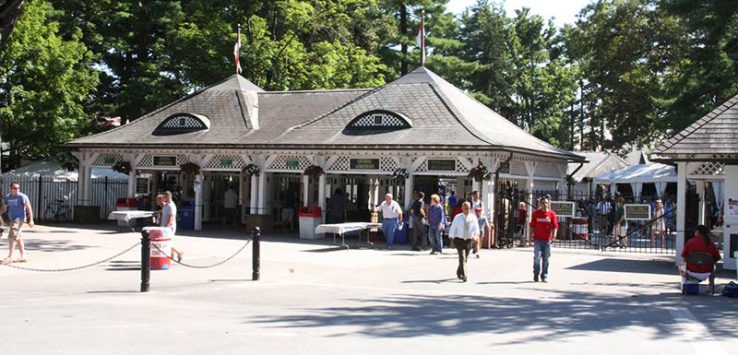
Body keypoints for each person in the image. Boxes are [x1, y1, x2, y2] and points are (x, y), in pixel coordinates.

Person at [680, 225, 721, 293]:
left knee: (681, 266)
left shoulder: (690, 242)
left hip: (691, 271)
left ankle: (687, 283)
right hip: (707, 271)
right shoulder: (711, 244)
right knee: (713, 266)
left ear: (697, 232)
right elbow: (717, 258)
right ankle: (711, 286)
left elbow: (684, 257)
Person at [1, 182, 34, 264]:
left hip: (19, 219)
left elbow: (28, 208)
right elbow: (4, 209)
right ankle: (23, 256)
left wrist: (31, 220)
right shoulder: (8, 197)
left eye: (18, 188)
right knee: (17, 237)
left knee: (11, 236)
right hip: (12, 219)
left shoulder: (22, 196)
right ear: (11, 188)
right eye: (15, 188)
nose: (17, 189)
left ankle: (10, 256)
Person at [448, 202, 479, 282]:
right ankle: (464, 275)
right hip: (459, 240)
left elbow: (476, 228)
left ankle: (459, 272)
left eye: (468, 208)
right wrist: (451, 238)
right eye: (465, 208)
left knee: (465, 258)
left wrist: (476, 236)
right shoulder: (457, 217)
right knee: (462, 257)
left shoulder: (473, 217)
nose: (467, 210)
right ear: (462, 208)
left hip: (469, 240)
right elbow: (453, 228)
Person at [529, 197, 558, 282]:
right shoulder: (536, 214)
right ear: (540, 204)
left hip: (547, 240)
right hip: (538, 239)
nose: (545, 204)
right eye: (543, 203)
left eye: (546, 203)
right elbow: (532, 226)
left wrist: (554, 236)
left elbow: (555, 226)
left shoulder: (552, 214)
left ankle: (544, 275)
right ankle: (536, 274)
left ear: (548, 203)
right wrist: (530, 237)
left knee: (546, 259)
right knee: (537, 257)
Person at [161, 191, 183, 261]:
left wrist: (167, 227)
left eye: (164, 197)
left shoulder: (171, 206)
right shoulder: (166, 205)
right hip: (164, 226)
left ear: (168, 197)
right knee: (168, 241)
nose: (163, 198)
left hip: (169, 227)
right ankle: (172, 255)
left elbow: (172, 218)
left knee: (167, 242)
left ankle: (179, 252)